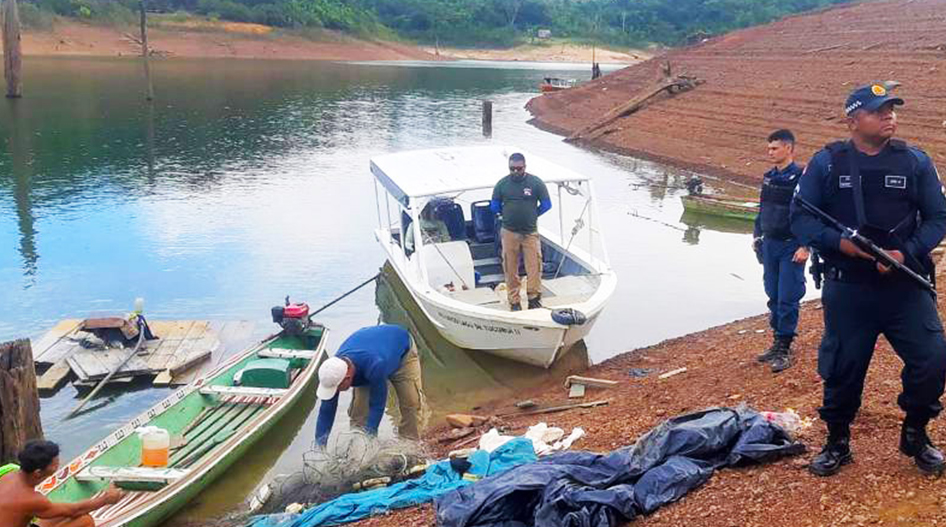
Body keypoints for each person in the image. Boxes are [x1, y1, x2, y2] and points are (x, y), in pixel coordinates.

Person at [791, 83, 946, 476]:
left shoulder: (915, 161)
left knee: (932, 359)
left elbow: (938, 218)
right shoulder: (827, 163)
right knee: (844, 367)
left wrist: (904, 253)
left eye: (892, 109)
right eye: (879, 110)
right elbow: (802, 217)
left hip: (904, 285)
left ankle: (915, 432)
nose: (889, 116)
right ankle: (837, 441)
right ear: (853, 119)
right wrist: (840, 244)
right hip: (849, 287)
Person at [314, 324, 428, 447]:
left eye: (336, 388)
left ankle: (410, 444)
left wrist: (369, 439)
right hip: (372, 353)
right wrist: (320, 446)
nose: (335, 392)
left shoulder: (375, 365)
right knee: (358, 412)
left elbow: (377, 405)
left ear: (347, 379)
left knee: (411, 402)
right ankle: (355, 447)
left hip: (402, 354)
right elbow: (326, 411)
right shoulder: (334, 371)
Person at [753, 129, 809, 373]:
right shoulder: (769, 177)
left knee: (788, 295)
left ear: (789, 148)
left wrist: (806, 245)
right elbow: (762, 209)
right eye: (769, 148)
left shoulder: (801, 177)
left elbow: (810, 214)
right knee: (773, 294)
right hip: (770, 243)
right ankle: (776, 341)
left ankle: (785, 347)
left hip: (791, 246)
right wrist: (756, 237)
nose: (770, 152)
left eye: (775, 148)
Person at [0, 440, 123, 527]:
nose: (59, 464)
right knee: (85, 522)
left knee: (65, 513)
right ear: (37, 473)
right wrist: (106, 500)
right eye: (54, 464)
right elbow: (74, 511)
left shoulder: (9, 473)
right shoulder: (32, 499)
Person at [491, 153, 552, 311]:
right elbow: (494, 206)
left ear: (525, 167)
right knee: (511, 267)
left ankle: (534, 298)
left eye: (519, 169)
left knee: (534, 266)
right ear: (509, 168)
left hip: (530, 232)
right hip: (509, 232)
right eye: (512, 169)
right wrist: (505, 215)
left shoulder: (536, 183)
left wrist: (533, 214)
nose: (516, 172)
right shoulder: (502, 184)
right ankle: (514, 300)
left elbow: (546, 204)